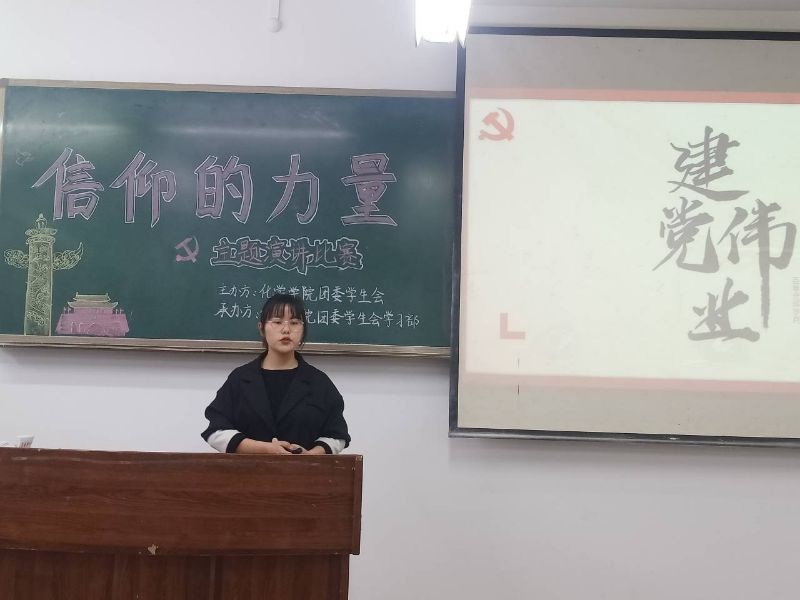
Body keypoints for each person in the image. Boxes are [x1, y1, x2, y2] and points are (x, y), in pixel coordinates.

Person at [201, 293, 350, 455]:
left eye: (294, 323)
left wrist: (311, 456)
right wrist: (263, 449)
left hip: (304, 470)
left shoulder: (319, 382)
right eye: (277, 322)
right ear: (261, 328)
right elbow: (216, 431)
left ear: (303, 330)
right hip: (249, 470)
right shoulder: (240, 379)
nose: (286, 329)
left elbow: (337, 435)